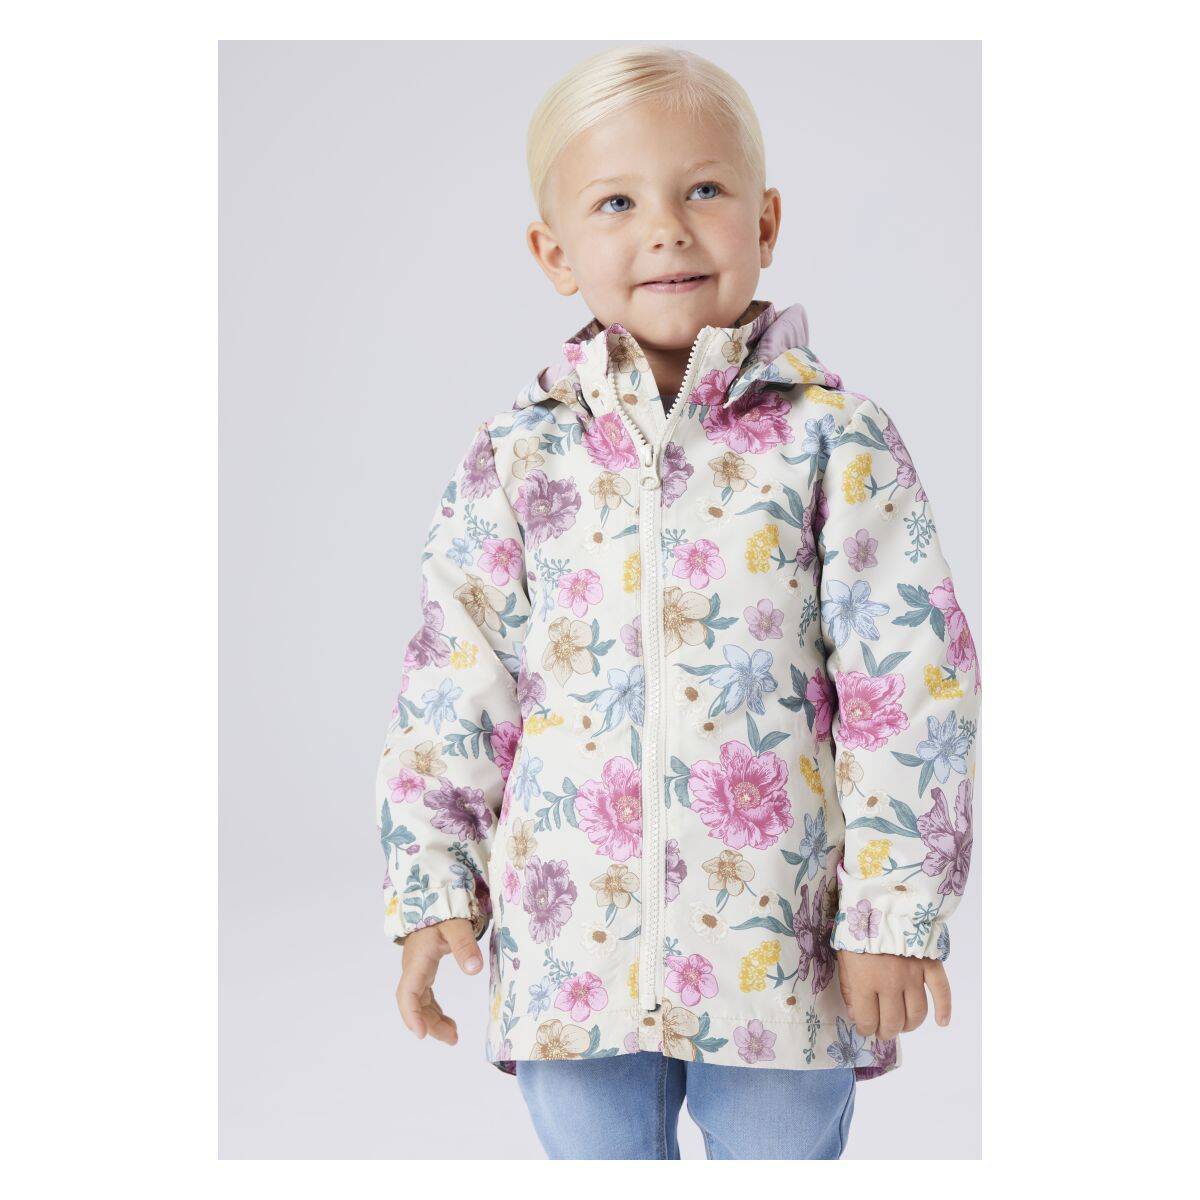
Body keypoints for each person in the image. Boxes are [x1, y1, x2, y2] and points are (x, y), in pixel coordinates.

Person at [374, 44, 980, 1160]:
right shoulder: (518, 456)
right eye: (617, 202)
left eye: (703, 189)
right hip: (571, 944)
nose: (667, 228)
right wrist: (431, 885)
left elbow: (910, 687)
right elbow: (455, 682)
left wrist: (895, 914)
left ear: (767, 221)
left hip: (783, 947)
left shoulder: (836, 441)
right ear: (554, 252)